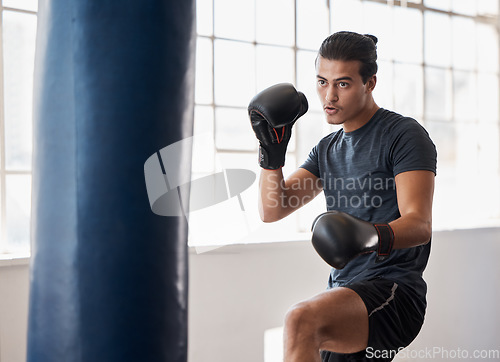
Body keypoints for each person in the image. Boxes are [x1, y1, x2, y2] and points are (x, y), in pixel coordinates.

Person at [248, 31, 437, 362]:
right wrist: (271, 154)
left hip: (393, 290)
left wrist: (369, 235)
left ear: (370, 83)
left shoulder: (403, 135)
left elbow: (419, 224)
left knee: (300, 319)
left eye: (343, 84)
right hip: (343, 290)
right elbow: (272, 209)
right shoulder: (327, 150)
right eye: (322, 82)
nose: (329, 96)